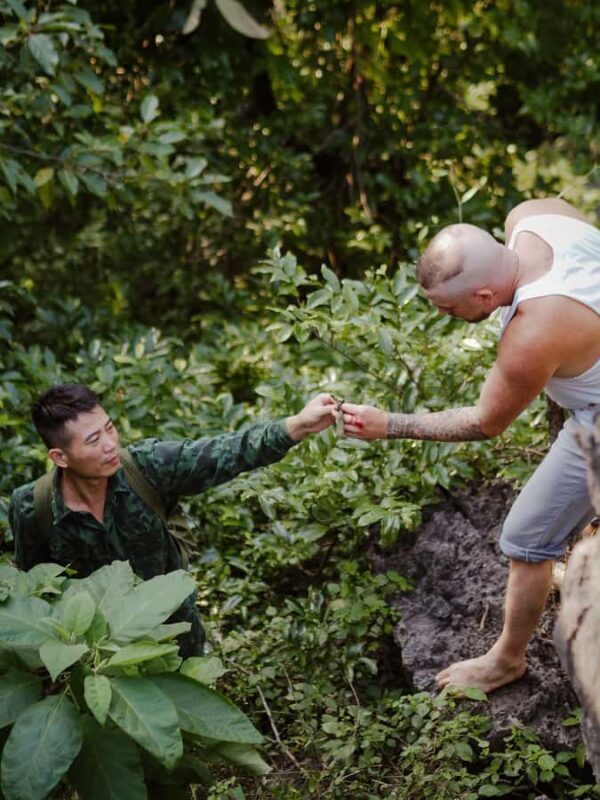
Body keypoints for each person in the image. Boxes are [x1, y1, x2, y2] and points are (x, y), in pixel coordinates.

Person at [340, 197, 600, 693]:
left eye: (448, 308)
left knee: (526, 540)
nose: (443, 315)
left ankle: (506, 660)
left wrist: (388, 423)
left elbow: (485, 423)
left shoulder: (531, 334)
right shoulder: (535, 216)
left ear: (484, 295)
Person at [9, 383, 336, 656]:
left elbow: (225, 452)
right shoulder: (32, 506)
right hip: (97, 658)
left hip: (176, 642)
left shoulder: (146, 468)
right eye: (93, 441)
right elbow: (35, 591)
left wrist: (298, 425)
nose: (110, 445)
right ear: (60, 457)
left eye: (109, 428)